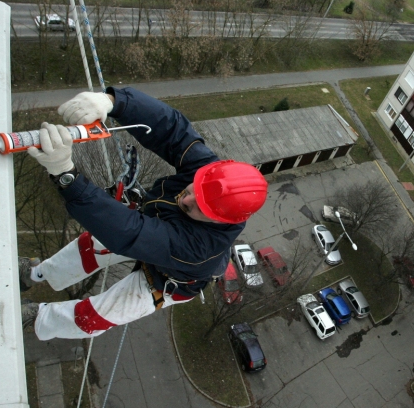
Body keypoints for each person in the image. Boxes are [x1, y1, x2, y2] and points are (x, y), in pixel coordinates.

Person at [19, 89, 268, 340]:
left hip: (168, 280)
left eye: (199, 207)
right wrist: (115, 103)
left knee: (98, 315)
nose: (186, 199)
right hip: (156, 230)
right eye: (196, 188)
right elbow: (172, 131)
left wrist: (66, 175)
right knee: (90, 244)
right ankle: (36, 273)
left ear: (218, 221)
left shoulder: (198, 248)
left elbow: (131, 232)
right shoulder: (210, 175)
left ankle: (37, 318)